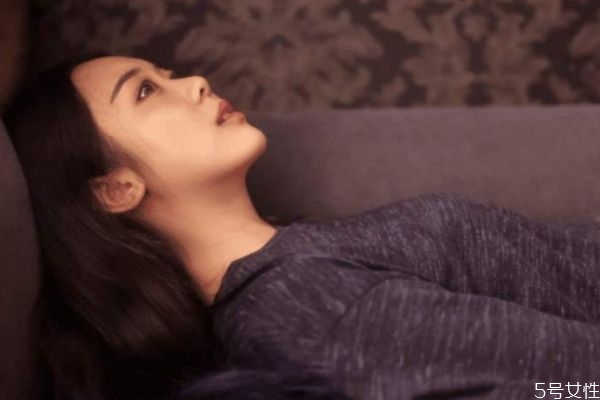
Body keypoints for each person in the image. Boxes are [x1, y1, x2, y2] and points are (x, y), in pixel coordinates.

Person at [4, 52, 600, 400]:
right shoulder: (305, 304)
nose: (194, 83)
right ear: (115, 189)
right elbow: (573, 380)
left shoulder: (297, 264)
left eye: (165, 73)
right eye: (145, 91)